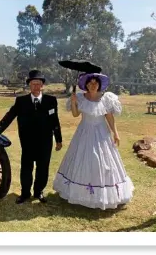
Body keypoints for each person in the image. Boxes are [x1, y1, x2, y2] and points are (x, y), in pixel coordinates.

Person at [53, 71, 133, 209]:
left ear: (99, 84)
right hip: (84, 132)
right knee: (84, 159)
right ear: (86, 84)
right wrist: (73, 103)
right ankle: (82, 194)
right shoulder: (80, 97)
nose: (93, 85)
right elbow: (75, 114)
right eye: (90, 83)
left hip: (102, 133)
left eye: (95, 83)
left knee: (104, 161)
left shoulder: (106, 98)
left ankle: (105, 193)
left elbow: (109, 117)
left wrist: (116, 133)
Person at [0, 70, 62, 204]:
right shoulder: (21, 101)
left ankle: (38, 192)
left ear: (42, 85)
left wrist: (59, 139)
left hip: (45, 142)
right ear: (29, 85)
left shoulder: (51, 101)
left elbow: (54, 121)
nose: (36, 87)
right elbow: (9, 117)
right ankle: (25, 193)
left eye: (39, 84)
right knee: (26, 168)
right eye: (33, 84)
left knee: (43, 168)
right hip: (28, 142)